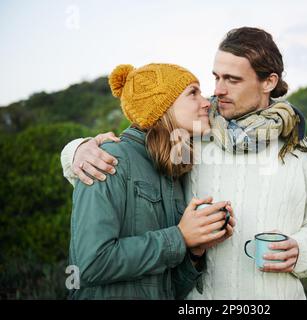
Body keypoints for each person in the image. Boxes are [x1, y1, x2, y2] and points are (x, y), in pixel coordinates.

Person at [61, 27, 307, 300]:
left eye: (232, 79)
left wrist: (301, 248)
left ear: (268, 82)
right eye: (216, 77)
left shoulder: (300, 149)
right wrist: (76, 150)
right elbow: (143, 140)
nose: (217, 91)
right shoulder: (194, 140)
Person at [67, 62, 235, 300]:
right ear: (162, 107)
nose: (206, 102)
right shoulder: (109, 159)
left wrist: (194, 251)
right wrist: (179, 237)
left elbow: (166, 289)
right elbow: (91, 264)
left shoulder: (172, 171)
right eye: (193, 93)